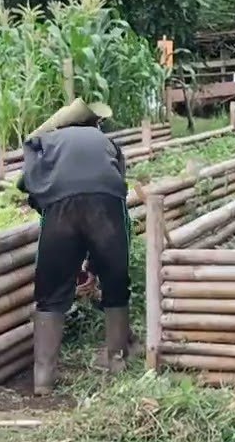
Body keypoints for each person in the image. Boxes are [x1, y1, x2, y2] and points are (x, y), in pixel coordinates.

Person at [18, 97, 138, 396]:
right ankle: (117, 362)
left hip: (60, 210)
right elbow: (118, 185)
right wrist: (97, 264)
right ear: (91, 123)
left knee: (51, 290)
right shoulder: (106, 142)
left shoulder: (46, 141)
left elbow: (29, 184)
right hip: (107, 206)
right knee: (116, 282)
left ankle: (43, 379)